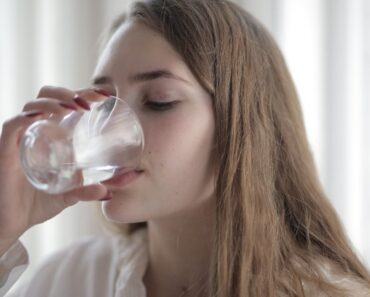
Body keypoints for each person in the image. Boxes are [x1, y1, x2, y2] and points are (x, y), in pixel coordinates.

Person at [0, 0, 369, 296]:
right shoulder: (72, 279)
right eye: (105, 102)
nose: (110, 127)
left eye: (159, 101)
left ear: (240, 126)